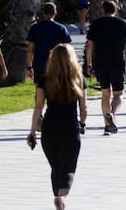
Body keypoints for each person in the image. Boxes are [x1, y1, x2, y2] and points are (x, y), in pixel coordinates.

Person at [27, 44, 86, 210]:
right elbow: (83, 108)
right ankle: (62, 198)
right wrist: (82, 124)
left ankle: (58, 197)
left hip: (49, 129)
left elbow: (38, 106)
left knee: (56, 167)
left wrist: (32, 131)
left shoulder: (45, 80)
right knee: (68, 168)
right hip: (70, 128)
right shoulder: (78, 79)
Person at [85, 0, 126, 135]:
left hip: (100, 63)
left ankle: (107, 126)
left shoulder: (96, 24)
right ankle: (112, 114)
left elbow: (89, 45)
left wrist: (89, 64)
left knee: (105, 93)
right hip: (117, 62)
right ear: (116, 10)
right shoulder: (121, 23)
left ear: (103, 10)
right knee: (118, 94)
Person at [26, 2, 72, 82]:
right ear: (55, 13)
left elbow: (30, 50)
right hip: (57, 64)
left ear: (43, 12)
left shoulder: (35, 28)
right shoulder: (61, 29)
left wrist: (29, 67)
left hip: (39, 64)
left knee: (40, 88)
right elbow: (67, 50)